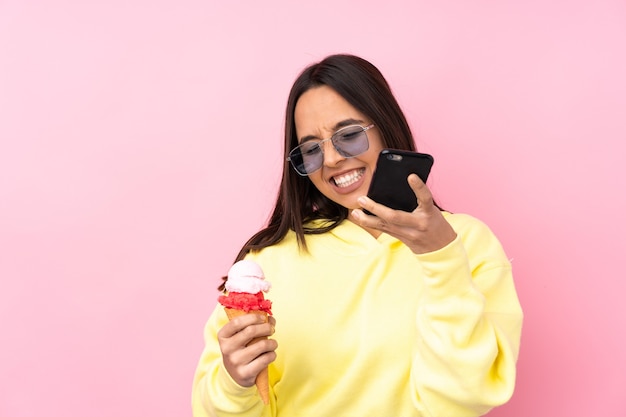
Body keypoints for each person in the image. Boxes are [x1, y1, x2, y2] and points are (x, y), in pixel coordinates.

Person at [192, 54, 523, 417]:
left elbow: (465, 399)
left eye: (348, 135)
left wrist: (440, 257)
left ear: (385, 126)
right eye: (312, 149)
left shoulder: (466, 242)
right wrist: (233, 384)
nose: (332, 159)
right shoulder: (266, 264)